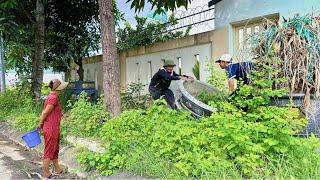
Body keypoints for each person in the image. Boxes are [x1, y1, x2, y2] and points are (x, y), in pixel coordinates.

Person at [38, 79, 69, 179]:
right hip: (51, 128)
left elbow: (53, 111)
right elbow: (45, 113)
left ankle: (57, 168)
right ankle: (46, 173)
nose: (63, 89)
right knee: (49, 150)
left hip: (54, 127)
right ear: (59, 88)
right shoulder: (53, 98)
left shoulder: (53, 97)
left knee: (55, 149)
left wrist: (61, 114)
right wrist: (40, 124)